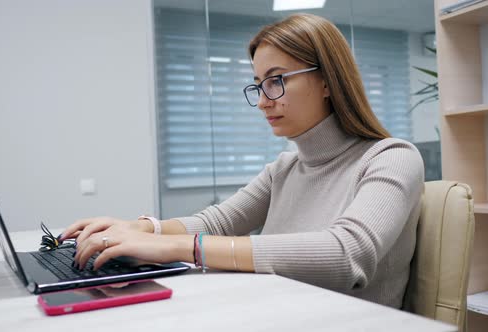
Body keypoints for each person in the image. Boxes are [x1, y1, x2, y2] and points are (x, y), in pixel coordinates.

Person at [59, 13, 424, 309]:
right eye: (258, 85)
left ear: (327, 81)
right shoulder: (285, 168)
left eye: (276, 81)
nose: (264, 101)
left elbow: (345, 254)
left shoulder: (392, 158)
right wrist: (142, 228)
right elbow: (217, 221)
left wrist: (178, 248)